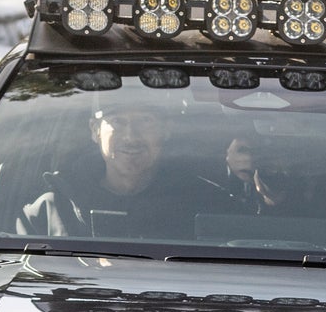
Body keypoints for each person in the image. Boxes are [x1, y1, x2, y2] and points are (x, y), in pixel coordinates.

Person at [16, 96, 216, 240]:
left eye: (146, 121)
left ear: (166, 130)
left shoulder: (208, 206)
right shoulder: (51, 211)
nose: (131, 137)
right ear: (95, 131)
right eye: (117, 121)